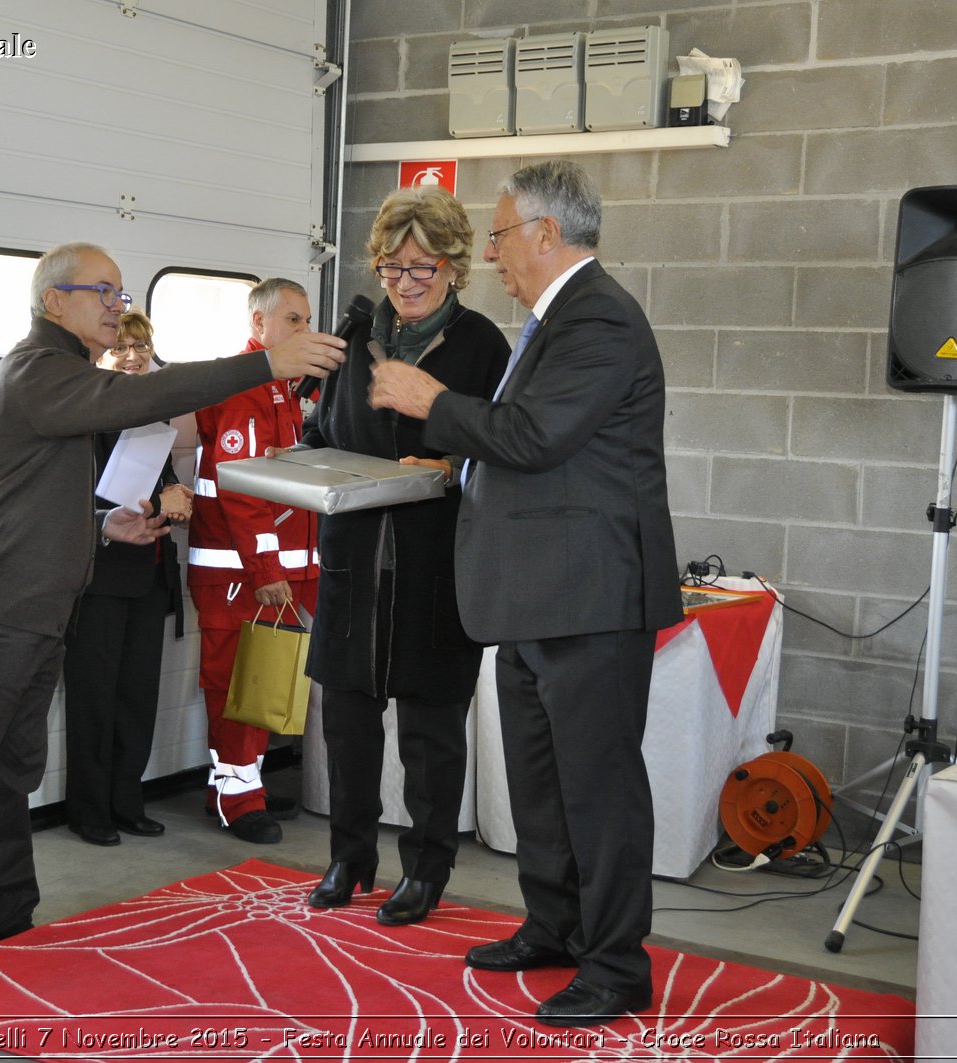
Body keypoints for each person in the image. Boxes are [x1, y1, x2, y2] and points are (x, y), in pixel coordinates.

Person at [0, 242, 344, 975]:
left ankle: (5, 931)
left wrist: (103, 526)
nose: (115, 305)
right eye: (100, 291)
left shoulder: (63, 379)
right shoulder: (39, 370)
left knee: (6, 783)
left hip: (31, 615)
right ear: (52, 300)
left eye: (120, 293)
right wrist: (266, 362)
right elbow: (140, 398)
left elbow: (29, 493)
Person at [368, 161, 680, 1025]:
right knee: (542, 785)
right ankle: (554, 925)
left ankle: (616, 965)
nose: (495, 253)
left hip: (590, 598)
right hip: (539, 596)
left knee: (598, 790)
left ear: (545, 233)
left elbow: (539, 435)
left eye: (501, 235)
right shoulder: (554, 321)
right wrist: (459, 457)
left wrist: (431, 399)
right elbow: (527, 447)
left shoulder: (601, 319)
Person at [302, 187, 508, 926]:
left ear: (455, 267)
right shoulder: (352, 341)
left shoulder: (485, 346)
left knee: (430, 732)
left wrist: (450, 468)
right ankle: (348, 857)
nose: (407, 281)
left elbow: (503, 450)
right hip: (354, 563)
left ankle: (426, 868)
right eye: (393, 266)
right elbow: (324, 433)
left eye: (424, 266)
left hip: (435, 569)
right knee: (347, 727)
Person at [186, 278, 321, 844]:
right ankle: (236, 798)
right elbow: (242, 491)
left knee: (270, 680)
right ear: (258, 326)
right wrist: (268, 573)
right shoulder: (245, 390)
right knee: (235, 683)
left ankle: (254, 784)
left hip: (285, 571)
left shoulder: (283, 390)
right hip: (239, 577)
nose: (305, 331)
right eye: (293, 321)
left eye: (307, 319)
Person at [60, 309, 193, 848]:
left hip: (149, 576)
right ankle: (89, 810)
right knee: (94, 697)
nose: (135, 356)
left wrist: (180, 501)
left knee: (138, 697)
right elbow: (78, 502)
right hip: (99, 580)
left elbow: (166, 489)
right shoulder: (82, 421)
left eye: (143, 347)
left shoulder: (154, 420)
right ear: (101, 357)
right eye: (123, 347)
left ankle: (126, 801)